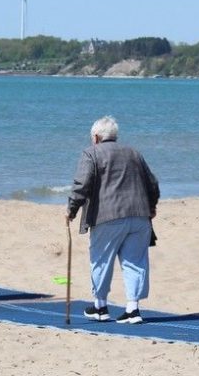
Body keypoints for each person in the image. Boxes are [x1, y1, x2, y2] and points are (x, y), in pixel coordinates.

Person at [66, 116, 159, 324]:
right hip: (139, 215)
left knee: (101, 260)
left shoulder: (91, 153)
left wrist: (72, 209)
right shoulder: (134, 153)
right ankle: (133, 309)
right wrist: (151, 206)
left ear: (97, 137)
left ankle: (100, 306)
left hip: (108, 216)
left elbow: (82, 184)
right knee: (135, 262)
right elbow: (152, 182)